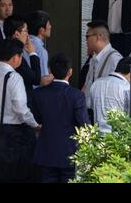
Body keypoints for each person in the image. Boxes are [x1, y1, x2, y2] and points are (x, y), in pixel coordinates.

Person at [0, 39, 41, 182]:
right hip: (10, 134)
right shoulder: (15, 78)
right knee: (11, 174)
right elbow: (21, 110)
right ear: (16, 57)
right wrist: (35, 124)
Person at [33, 53, 91, 183]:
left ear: (50, 70)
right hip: (69, 151)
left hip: (45, 150)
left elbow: (36, 120)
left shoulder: (38, 93)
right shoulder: (76, 95)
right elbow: (85, 125)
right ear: (70, 72)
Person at [0, 15, 42, 112]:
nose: (28, 35)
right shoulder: (15, 56)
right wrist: (33, 53)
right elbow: (36, 79)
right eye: (26, 31)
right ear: (16, 34)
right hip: (16, 114)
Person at [88, 57, 131, 133]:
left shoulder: (96, 83)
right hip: (117, 140)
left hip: (97, 137)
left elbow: (90, 107)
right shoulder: (127, 88)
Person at [82, 20, 123, 108]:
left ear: (98, 37)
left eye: (87, 36)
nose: (86, 40)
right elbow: (86, 86)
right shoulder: (93, 58)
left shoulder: (115, 59)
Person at [27, 10, 54, 86]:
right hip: (36, 94)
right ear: (41, 30)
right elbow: (43, 80)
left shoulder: (22, 44)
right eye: (48, 24)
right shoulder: (41, 50)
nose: (50, 26)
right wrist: (57, 74)